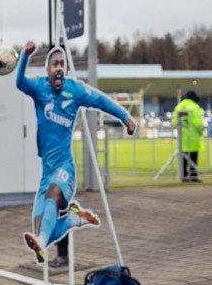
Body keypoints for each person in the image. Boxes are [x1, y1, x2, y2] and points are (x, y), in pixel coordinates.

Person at [16, 41, 137, 264]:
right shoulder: (39, 87)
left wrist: (125, 117)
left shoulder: (76, 89)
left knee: (52, 196)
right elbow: (20, 82)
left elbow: (100, 100)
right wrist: (25, 56)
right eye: (55, 64)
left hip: (65, 169)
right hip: (47, 170)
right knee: (41, 228)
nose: (59, 67)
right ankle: (73, 220)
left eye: (62, 63)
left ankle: (47, 240)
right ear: (48, 70)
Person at [172, 90, 204, 182]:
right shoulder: (195, 107)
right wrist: (201, 130)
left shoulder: (178, 107)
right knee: (193, 157)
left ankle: (183, 175)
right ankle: (193, 176)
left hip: (182, 137)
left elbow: (174, 123)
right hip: (193, 137)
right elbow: (198, 123)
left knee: (183, 157)